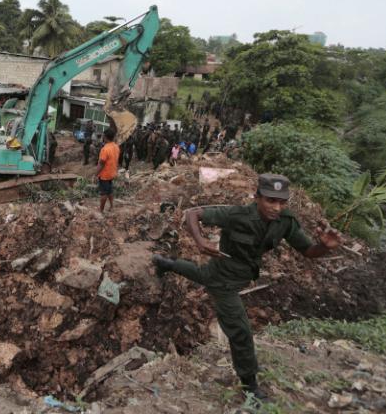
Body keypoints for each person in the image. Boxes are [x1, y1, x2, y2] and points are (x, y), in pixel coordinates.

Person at [151, 174, 342, 400]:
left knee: (203, 275)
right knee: (241, 332)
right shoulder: (236, 215)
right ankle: (250, 384)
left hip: (236, 274)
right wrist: (201, 242)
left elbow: (308, 251)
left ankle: (166, 263)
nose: (276, 207)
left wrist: (324, 247)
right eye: (270, 200)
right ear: (257, 197)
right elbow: (193, 214)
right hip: (224, 281)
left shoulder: (285, 222)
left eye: (281, 202)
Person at [94, 128, 120, 213]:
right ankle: (112, 206)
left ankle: (101, 210)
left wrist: (95, 175)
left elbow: (101, 164)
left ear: (105, 137)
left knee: (104, 193)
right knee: (110, 190)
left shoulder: (105, 149)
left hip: (105, 175)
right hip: (112, 173)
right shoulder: (116, 147)